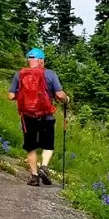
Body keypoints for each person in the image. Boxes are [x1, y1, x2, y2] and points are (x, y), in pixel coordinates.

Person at [7, 48, 69, 186]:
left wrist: (24, 97)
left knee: (31, 146)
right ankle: (44, 167)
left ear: (29, 60)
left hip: (27, 117)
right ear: (41, 61)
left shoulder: (20, 75)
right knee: (48, 145)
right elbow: (59, 95)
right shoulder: (50, 74)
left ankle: (34, 176)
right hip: (46, 116)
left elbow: (11, 96)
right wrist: (66, 99)